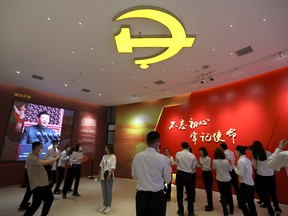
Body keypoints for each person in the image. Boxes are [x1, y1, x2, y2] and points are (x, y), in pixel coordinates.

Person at [131, 131, 171, 216]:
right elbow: (168, 179)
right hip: (157, 197)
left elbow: (134, 176)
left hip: (141, 196)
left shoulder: (137, 156)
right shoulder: (162, 158)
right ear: (157, 143)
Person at [23, 141, 59, 216]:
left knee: (49, 199)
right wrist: (56, 158)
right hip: (38, 185)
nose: (42, 149)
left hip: (43, 183)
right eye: (41, 147)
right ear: (36, 147)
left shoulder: (35, 156)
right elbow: (44, 162)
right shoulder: (32, 157)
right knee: (36, 205)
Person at [252, 140, 282, 216]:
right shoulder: (268, 153)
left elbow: (255, 166)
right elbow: (275, 156)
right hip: (271, 176)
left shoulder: (255, 156)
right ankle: (277, 209)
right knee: (273, 194)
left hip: (261, 177)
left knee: (265, 195)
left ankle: (270, 210)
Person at [234, 145, 258, 216]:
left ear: (238, 151)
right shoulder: (247, 159)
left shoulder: (240, 161)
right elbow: (251, 172)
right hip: (251, 184)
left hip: (245, 185)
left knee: (242, 203)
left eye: (236, 150)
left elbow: (240, 173)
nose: (235, 152)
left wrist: (235, 168)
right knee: (251, 203)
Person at [175, 142, 197, 216]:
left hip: (180, 174)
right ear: (188, 147)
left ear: (181, 147)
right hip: (189, 175)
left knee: (179, 193)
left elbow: (176, 163)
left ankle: (181, 211)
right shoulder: (192, 155)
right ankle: (191, 212)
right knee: (190, 194)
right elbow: (194, 167)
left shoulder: (178, 154)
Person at [213, 148, 234, 216]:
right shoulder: (226, 161)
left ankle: (225, 211)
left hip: (220, 180)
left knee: (223, 195)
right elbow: (230, 170)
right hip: (228, 180)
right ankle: (231, 209)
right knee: (229, 194)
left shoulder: (214, 161)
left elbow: (214, 168)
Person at [220, 143, 241, 208]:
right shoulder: (231, 152)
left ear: (222, 148)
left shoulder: (224, 154)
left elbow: (224, 164)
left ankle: (227, 201)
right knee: (236, 187)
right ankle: (240, 203)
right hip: (233, 171)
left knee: (227, 188)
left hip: (228, 172)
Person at [97, 145, 117, 214]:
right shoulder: (104, 156)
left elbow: (113, 167)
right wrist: (99, 174)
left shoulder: (113, 157)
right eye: (105, 148)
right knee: (104, 192)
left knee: (108, 192)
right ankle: (104, 205)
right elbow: (101, 165)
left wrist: (110, 174)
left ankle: (108, 206)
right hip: (103, 176)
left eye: (106, 148)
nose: (105, 149)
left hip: (109, 177)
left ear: (110, 149)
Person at [197, 146, 213, 211]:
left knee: (209, 190)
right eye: (199, 151)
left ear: (204, 151)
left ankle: (211, 206)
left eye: (201, 151)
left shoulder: (208, 158)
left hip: (208, 174)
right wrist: (195, 164)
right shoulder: (200, 158)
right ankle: (209, 204)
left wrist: (201, 164)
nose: (200, 152)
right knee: (207, 190)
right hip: (204, 173)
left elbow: (208, 167)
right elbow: (200, 167)